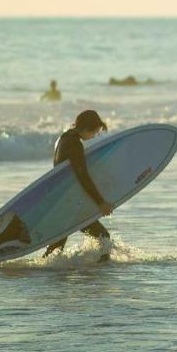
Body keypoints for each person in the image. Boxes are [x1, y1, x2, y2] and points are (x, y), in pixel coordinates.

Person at [43, 109, 115, 259]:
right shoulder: (74, 144)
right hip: (69, 205)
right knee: (104, 238)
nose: (94, 135)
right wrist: (100, 202)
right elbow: (82, 175)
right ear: (86, 128)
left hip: (64, 201)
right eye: (94, 131)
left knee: (56, 249)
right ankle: (99, 272)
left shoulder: (63, 138)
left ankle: (51, 275)